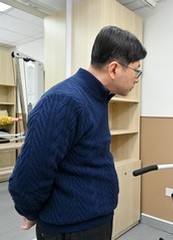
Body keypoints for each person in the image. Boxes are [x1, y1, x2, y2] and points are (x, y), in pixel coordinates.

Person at [8, 26, 147, 240]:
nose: (137, 78)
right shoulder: (64, 101)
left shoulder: (95, 98)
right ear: (114, 69)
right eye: (136, 70)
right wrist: (28, 209)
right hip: (71, 229)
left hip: (92, 221)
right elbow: (32, 171)